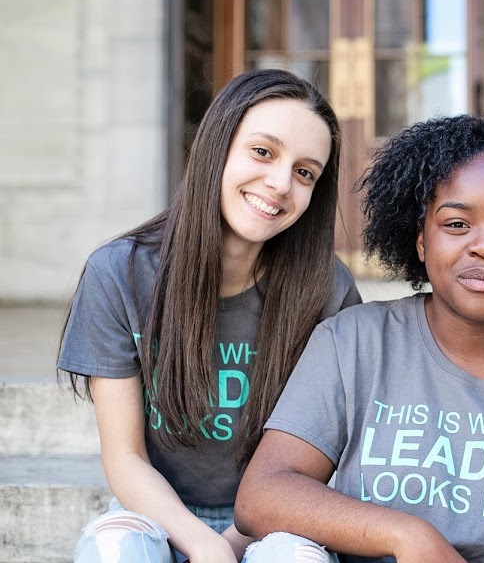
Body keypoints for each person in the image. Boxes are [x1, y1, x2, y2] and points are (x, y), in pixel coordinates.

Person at [234, 115, 484, 563]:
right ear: (421, 241)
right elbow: (262, 495)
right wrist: (409, 537)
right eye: (456, 224)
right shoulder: (353, 342)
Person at [57, 69, 362, 563]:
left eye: (305, 172)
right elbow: (126, 457)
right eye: (263, 152)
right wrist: (203, 546)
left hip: (277, 521)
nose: (281, 183)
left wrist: (233, 544)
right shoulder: (119, 274)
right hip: (156, 511)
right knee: (113, 548)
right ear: (216, 146)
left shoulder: (327, 290)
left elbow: (322, 461)